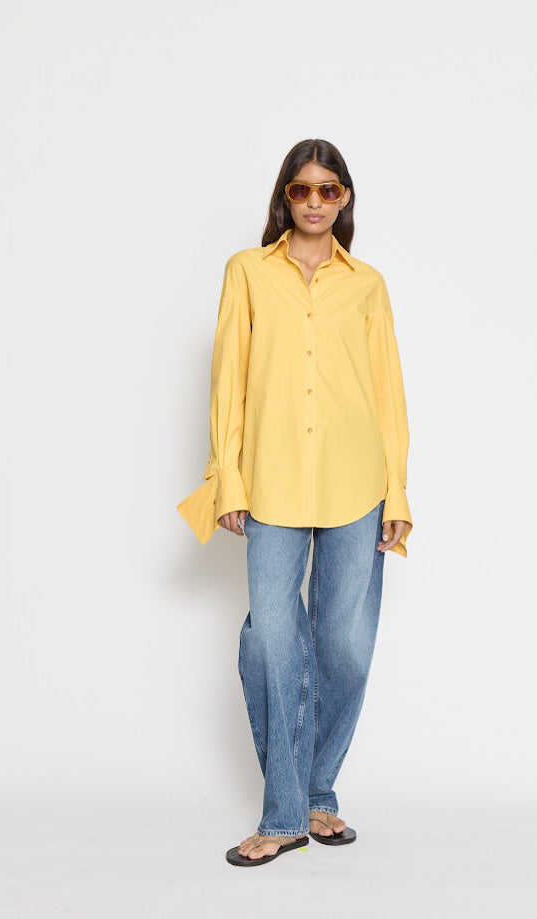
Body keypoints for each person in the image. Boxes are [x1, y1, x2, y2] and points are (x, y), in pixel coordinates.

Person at [176, 138, 413, 866]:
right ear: (285, 197)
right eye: (301, 189)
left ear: (345, 199)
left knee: (344, 645)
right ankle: (284, 813)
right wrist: (227, 478)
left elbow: (387, 393)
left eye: (328, 190)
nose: (314, 202)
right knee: (271, 642)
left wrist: (397, 491)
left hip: (356, 483)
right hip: (271, 482)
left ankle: (316, 793)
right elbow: (228, 380)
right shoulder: (247, 271)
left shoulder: (367, 285)